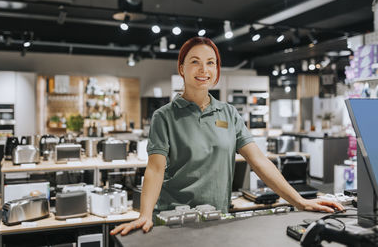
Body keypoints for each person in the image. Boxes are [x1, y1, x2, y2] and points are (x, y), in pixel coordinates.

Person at [110, 37, 344, 236]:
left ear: (217, 70)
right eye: (195, 62)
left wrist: (299, 201)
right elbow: (155, 170)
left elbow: (259, 161)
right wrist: (145, 214)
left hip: (217, 218)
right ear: (181, 68)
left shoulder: (229, 113)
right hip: (173, 220)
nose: (204, 70)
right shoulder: (165, 116)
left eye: (210, 63)